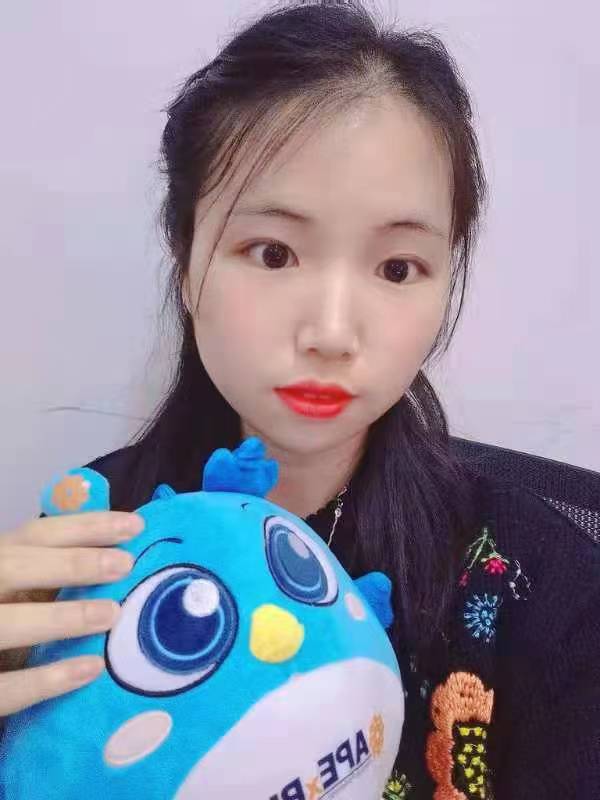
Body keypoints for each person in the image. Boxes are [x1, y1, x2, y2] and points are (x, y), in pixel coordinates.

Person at [1, 2, 598, 797]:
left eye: (398, 268)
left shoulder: (540, 583)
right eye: (273, 253)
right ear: (185, 258)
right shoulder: (92, 546)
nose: (331, 333)